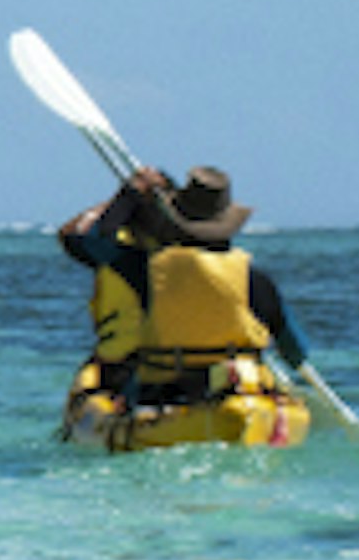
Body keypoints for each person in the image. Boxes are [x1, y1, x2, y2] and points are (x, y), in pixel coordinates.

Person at [56, 163, 310, 409]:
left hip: (161, 393)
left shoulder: (145, 270)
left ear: (177, 221)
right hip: (233, 389)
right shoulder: (255, 280)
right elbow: (296, 351)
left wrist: (129, 195)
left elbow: (83, 239)